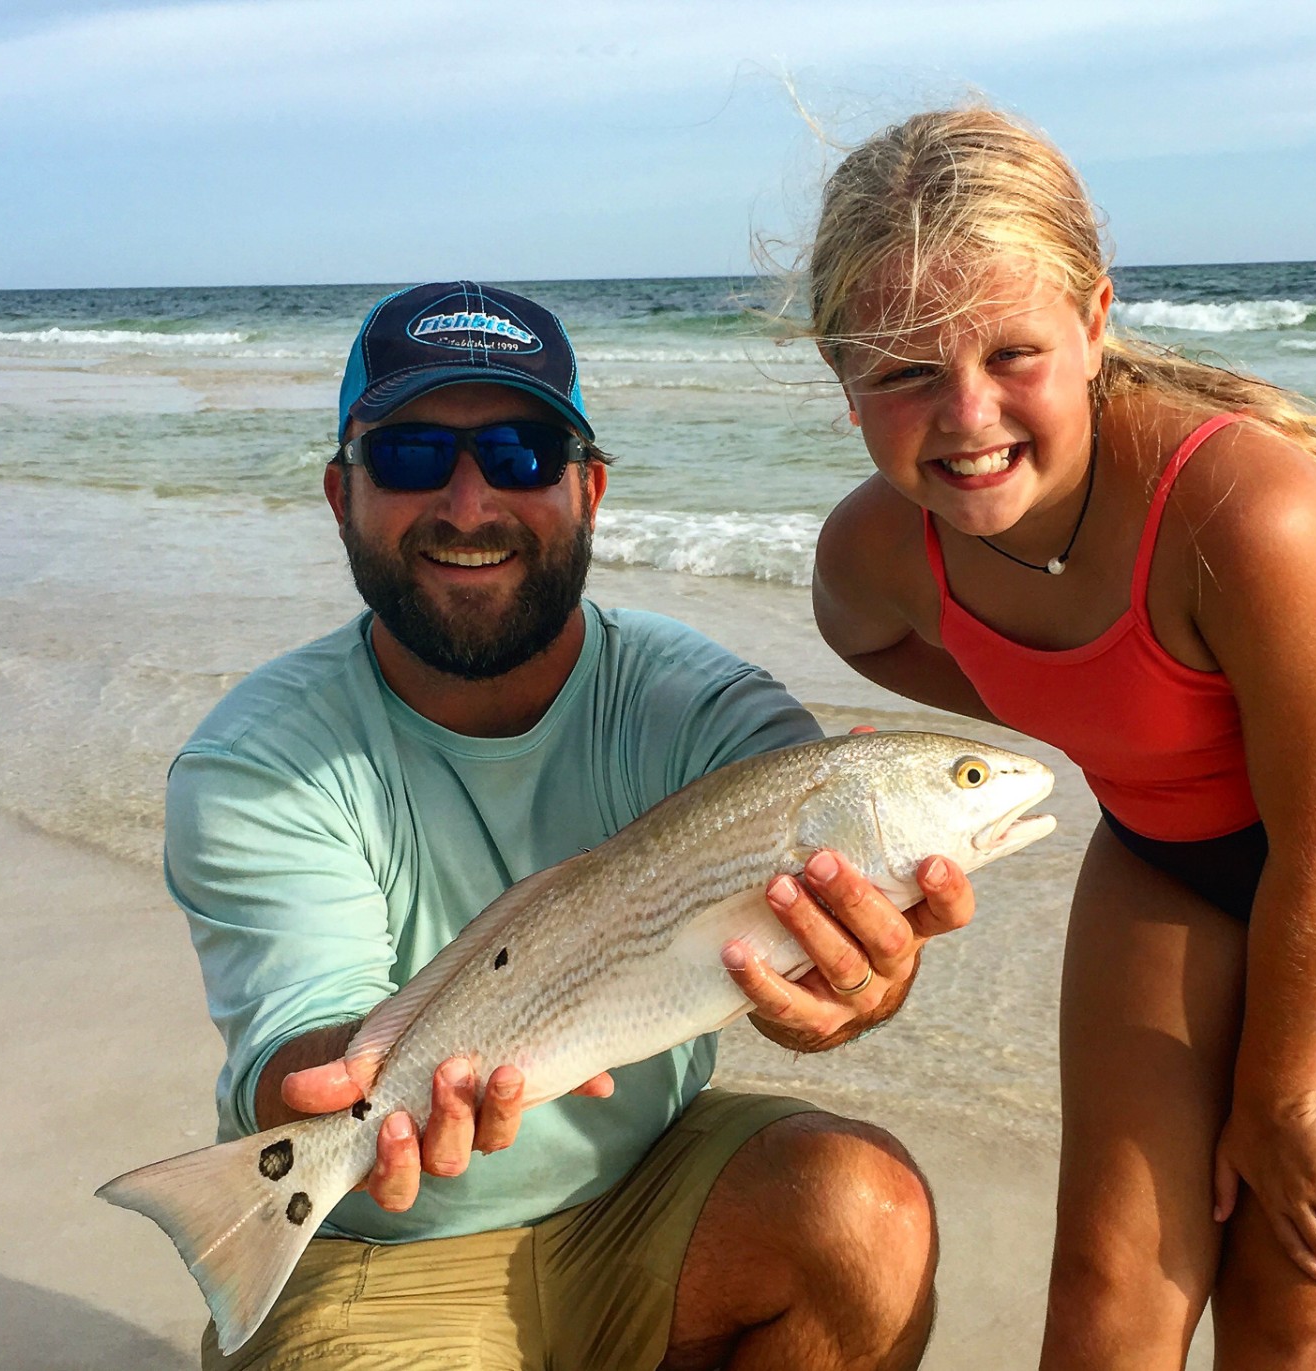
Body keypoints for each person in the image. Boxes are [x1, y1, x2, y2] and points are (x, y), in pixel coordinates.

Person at [800, 109, 1316, 1369]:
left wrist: (1278, 1099)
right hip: (1171, 836)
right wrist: (1114, 727)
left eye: (1012, 352)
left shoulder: (1251, 513)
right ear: (842, 376)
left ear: (1093, 323)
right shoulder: (870, 562)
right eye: (906, 372)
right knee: (1106, 1300)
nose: (967, 416)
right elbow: (882, 649)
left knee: (1292, 1292)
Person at [164, 281, 973, 1371]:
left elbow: (830, 938)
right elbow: (296, 1037)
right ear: (338, 494)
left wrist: (863, 987)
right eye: (408, 458)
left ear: (589, 489)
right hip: (373, 1245)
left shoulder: (705, 709)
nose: (467, 504)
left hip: (646, 1194)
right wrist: (367, 1095)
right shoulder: (260, 756)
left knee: (865, 1222)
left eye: (521, 454)